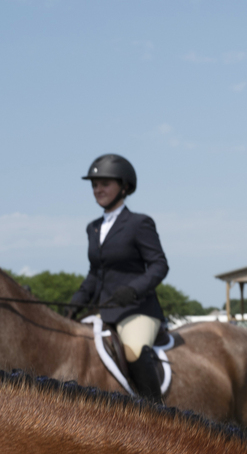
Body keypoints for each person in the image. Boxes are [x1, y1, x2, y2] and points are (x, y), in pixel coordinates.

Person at [65, 154, 170, 402]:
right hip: (103, 310)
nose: (98, 190)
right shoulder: (93, 228)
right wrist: (75, 303)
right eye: (94, 185)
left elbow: (159, 265)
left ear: (124, 186)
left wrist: (132, 290)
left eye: (104, 184)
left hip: (137, 309)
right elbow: (95, 272)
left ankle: (158, 416)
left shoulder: (139, 223)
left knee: (133, 350)